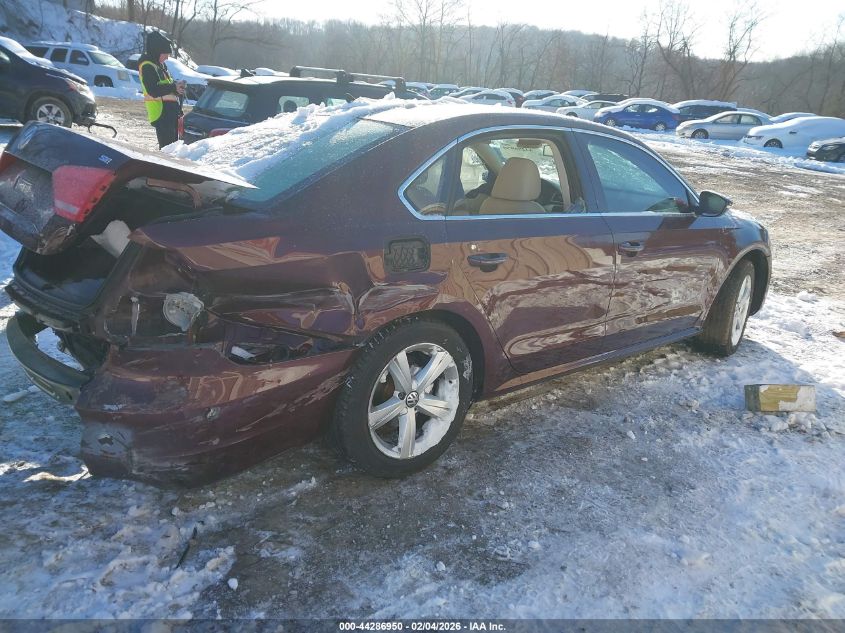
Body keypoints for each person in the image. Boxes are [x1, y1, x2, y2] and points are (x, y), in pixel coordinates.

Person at [138, 30, 185, 148]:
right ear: (157, 51)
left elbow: (166, 86)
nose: (167, 58)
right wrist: (173, 87)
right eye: (166, 54)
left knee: (172, 149)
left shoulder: (160, 65)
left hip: (170, 114)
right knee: (166, 151)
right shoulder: (147, 66)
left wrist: (176, 88)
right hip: (161, 114)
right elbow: (153, 90)